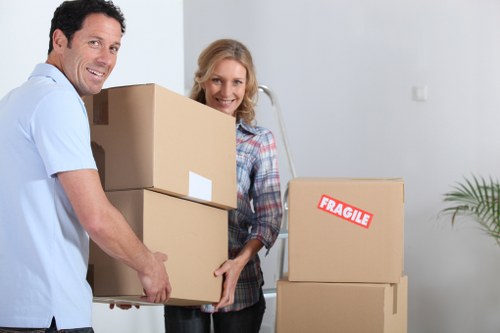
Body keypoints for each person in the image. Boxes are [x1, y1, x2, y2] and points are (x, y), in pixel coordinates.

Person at [0, 0, 171, 331]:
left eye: (114, 47)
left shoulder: (11, 102)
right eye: (94, 42)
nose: (106, 59)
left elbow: (46, 216)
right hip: (50, 317)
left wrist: (120, 274)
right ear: (60, 40)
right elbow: (94, 216)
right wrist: (147, 266)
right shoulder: (58, 101)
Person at [164, 39, 282, 333]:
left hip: (241, 285)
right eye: (217, 80)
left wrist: (239, 262)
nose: (227, 92)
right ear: (202, 80)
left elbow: (269, 218)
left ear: (247, 86)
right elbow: (156, 203)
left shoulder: (258, 141)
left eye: (237, 82)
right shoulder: (175, 131)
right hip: (184, 280)